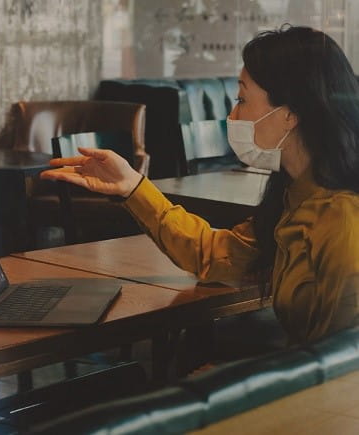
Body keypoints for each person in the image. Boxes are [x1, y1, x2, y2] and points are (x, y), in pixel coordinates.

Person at [41, 25, 359, 346]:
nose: (232, 115)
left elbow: (341, 360)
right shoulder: (296, 194)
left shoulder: (341, 216)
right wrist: (133, 188)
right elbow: (216, 255)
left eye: (241, 99)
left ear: (290, 113)